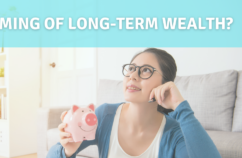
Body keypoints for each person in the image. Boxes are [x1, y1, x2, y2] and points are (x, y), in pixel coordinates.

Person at [47, 48, 222, 158]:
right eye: (131, 69)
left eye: (145, 70)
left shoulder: (175, 132)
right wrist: (67, 151)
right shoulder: (104, 115)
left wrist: (181, 107)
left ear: (165, 83)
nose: (133, 75)